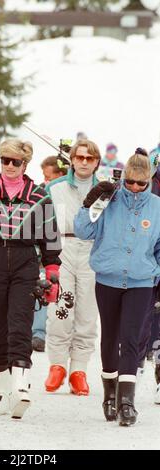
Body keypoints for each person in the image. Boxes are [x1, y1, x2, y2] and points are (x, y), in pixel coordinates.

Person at [0, 138, 61, 419]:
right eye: (5, 160)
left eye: (15, 162)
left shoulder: (39, 195)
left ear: (25, 164)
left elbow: (50, 234)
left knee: (20, 322)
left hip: (25, 261)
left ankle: (20, 385)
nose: (9, 166)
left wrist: (52, 269)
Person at [74, 148, 160, 426]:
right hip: (108, 279)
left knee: (132, 339)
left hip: (140, 282)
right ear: (123, 179)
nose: (134, 188)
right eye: (130, 182)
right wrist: (90, 204)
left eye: (141, 183)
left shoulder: (157, 207)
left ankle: (126, 401)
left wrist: (155, 273)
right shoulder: (110, 200)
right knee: (110, 337)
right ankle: (109, 397)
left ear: (149, 180)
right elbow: (83, 231)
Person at [44, 139, 100, 396]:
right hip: (62, 249)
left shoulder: (107, 190)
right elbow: (43, 223)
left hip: (93, 250)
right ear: (72, 160)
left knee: (87, 312)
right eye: (80, 157)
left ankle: (79, 369)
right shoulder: (55, 188)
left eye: (89, 158)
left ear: (96, 161)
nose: (84, 162)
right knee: (60, 308)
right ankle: (57, 365)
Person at [32, 156, 68, 353]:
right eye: (43, 177)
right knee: (42, 287)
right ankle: (37, 332)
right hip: (42, 249)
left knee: (63, 292)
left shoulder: (66, 194)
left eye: (49, 177)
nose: (45, 181)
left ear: (61, 176)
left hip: (66, 250)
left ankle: (61, 334)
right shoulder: (40, 193)